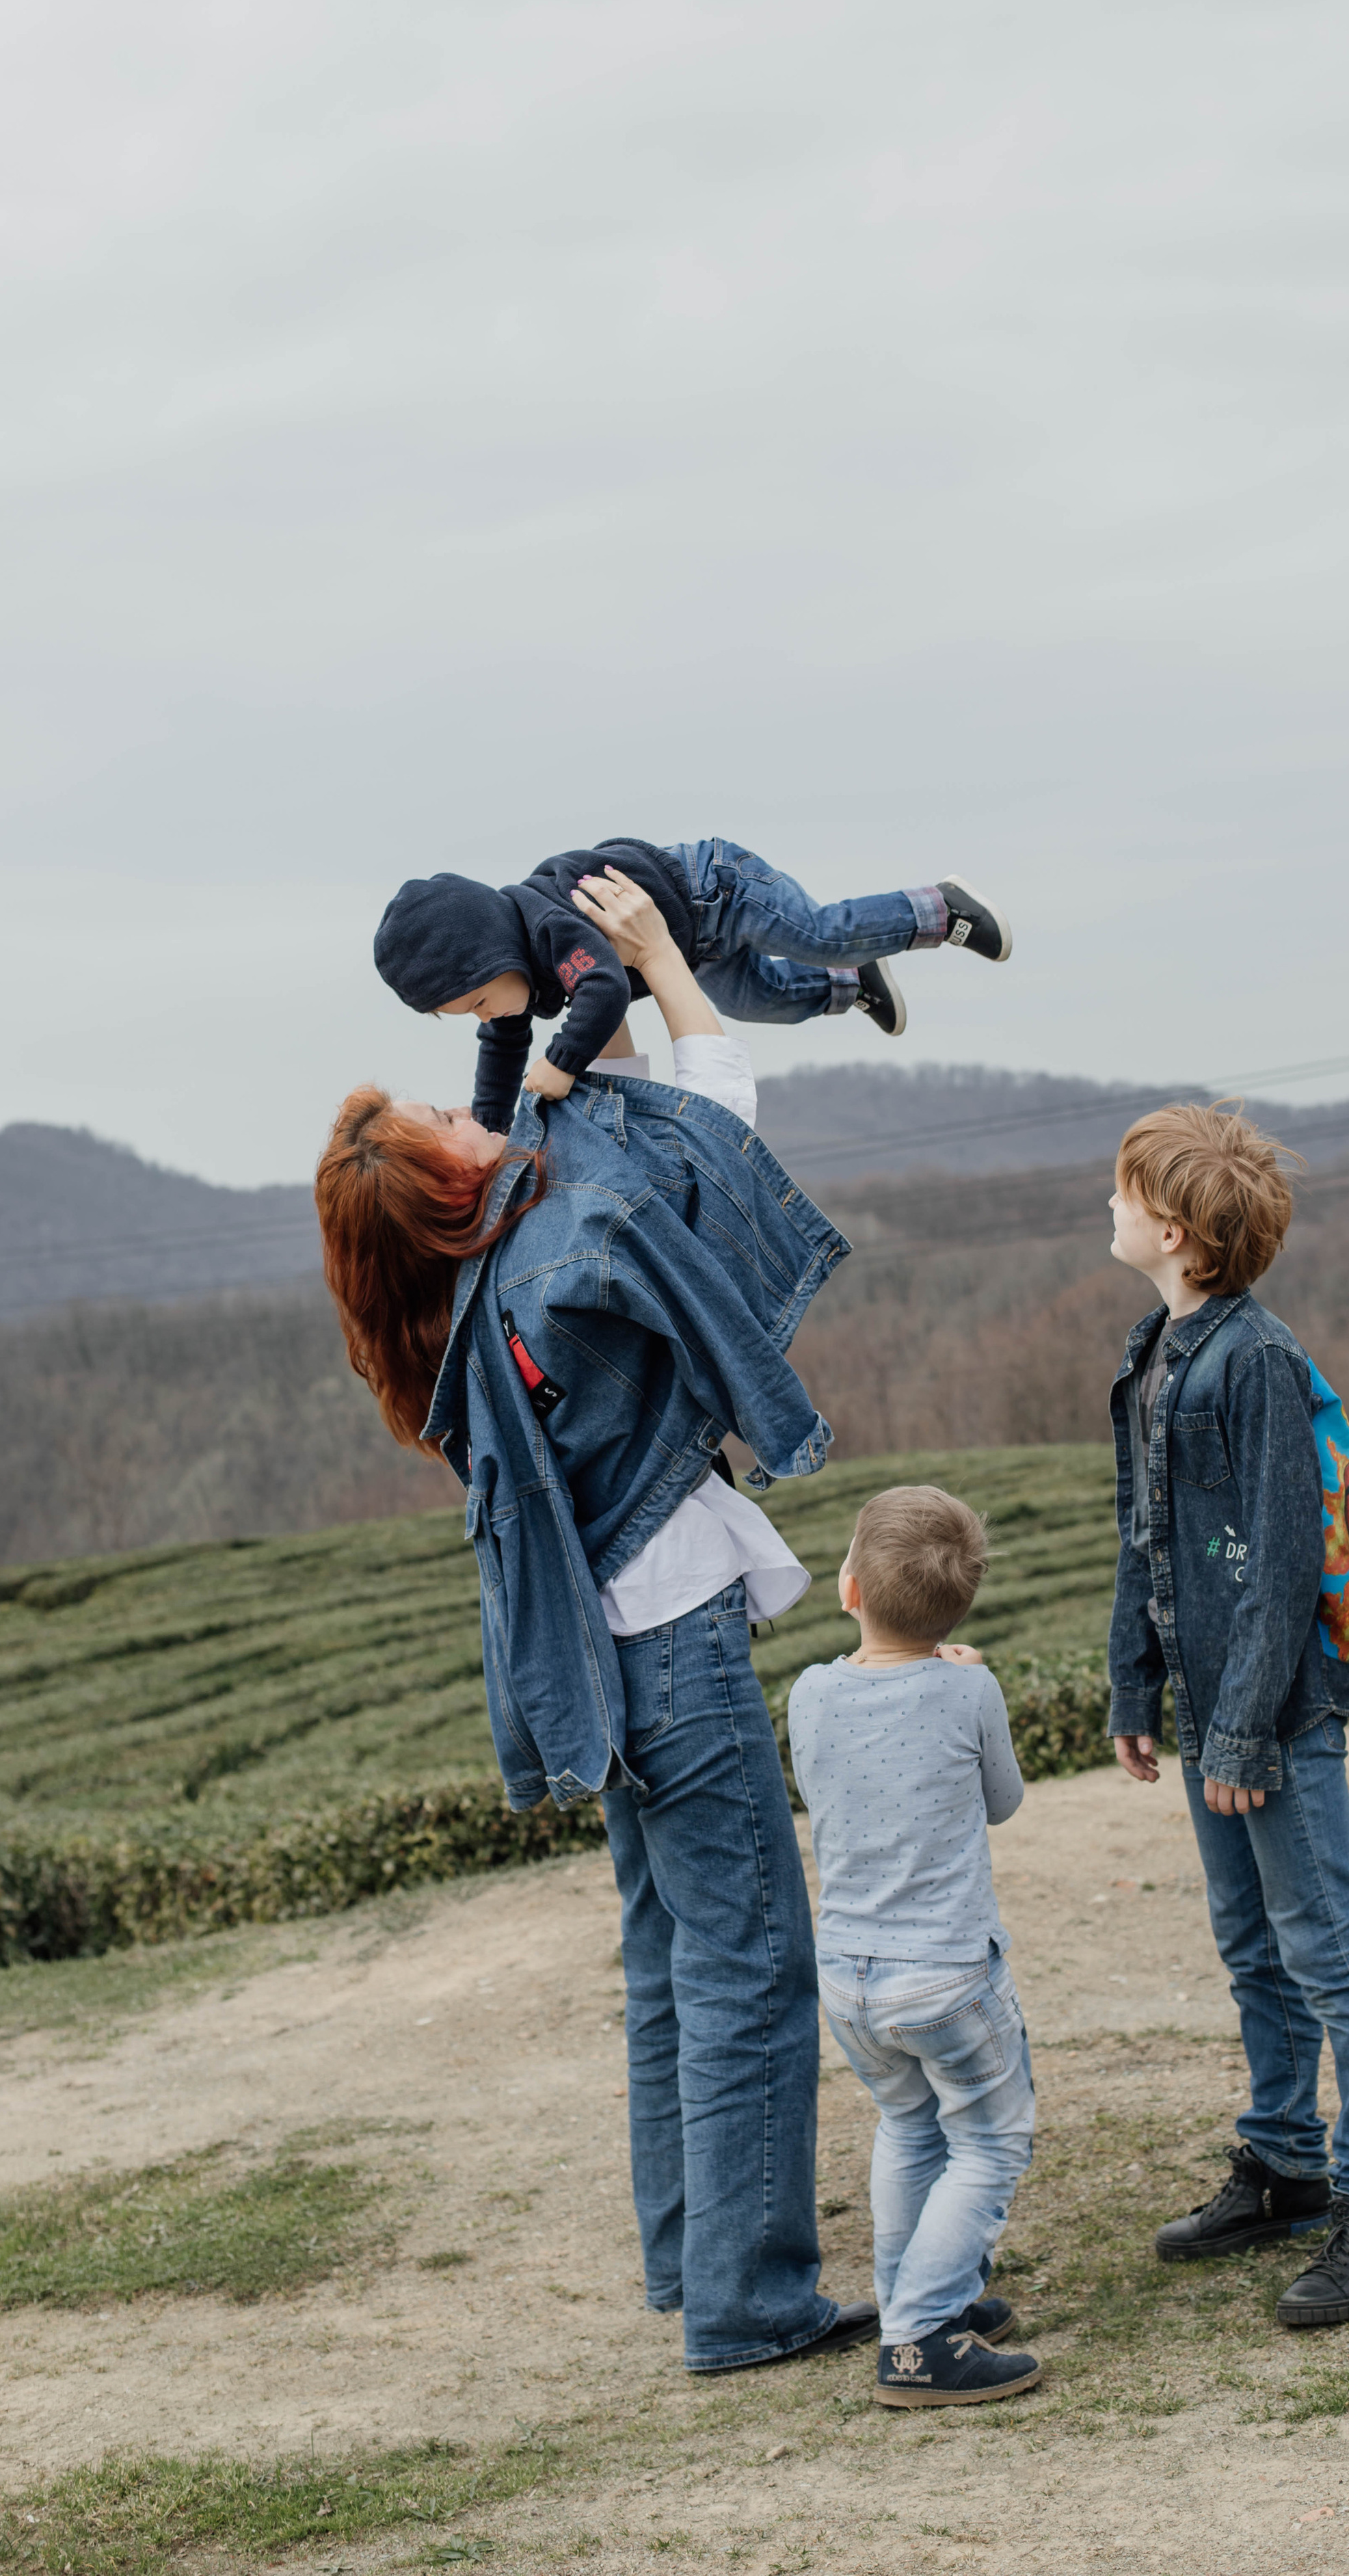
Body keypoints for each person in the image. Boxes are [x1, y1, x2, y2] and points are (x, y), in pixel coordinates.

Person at [317, 868, 876, 2375]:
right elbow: (715, 1132)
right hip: (670, 1647)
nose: (470, 1112)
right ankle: (752, 2304)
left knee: (667, 1960)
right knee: (751, 1960)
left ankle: (690, 2260)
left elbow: (594, 1117)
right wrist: (657, 964)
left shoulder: (466, 1295)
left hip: (595, 1663)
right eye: (445, 1125)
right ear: (449, 1187)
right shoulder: (560, 1253)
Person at [1104, 1101, 1349, 2328]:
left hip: (1275, 1716)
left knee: (1330, 1953)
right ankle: (1288, 2166)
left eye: (1125, 1191)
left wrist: (1240, 1729)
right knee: (1253, 1947)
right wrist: (1135, 1685)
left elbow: (1286, 1564)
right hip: (1206, 1707)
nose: (1109, 1205)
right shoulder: (1151, 1351)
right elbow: (1144, 1538)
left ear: (1176, 1234)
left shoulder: (1257, 1361)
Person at [787, 1486, 1043, 2408]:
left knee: (907, 2127)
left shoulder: (810, 1693)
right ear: (958, 1609)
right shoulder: (969, 1688)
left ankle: (917, 2304)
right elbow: (1002, 1801)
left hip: (849, 1978)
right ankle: (920, 2337)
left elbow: (827, 1784)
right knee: (988, 2143)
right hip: (946, 1977)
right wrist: (961, 1678)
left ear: (849, 1589)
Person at [372, 838, 1012, 1128]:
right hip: (693, 947)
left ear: (492, 954)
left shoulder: (548, 928)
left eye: (479, 1002)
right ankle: (852, 986)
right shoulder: (512, 977)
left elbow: (605, 991)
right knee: (757, 1001)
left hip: (716, 891)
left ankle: (940, 910)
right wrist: (490, 1129)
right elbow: (501, 1054)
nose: (486, 1018)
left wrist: (563, 1063)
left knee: (819, 934)